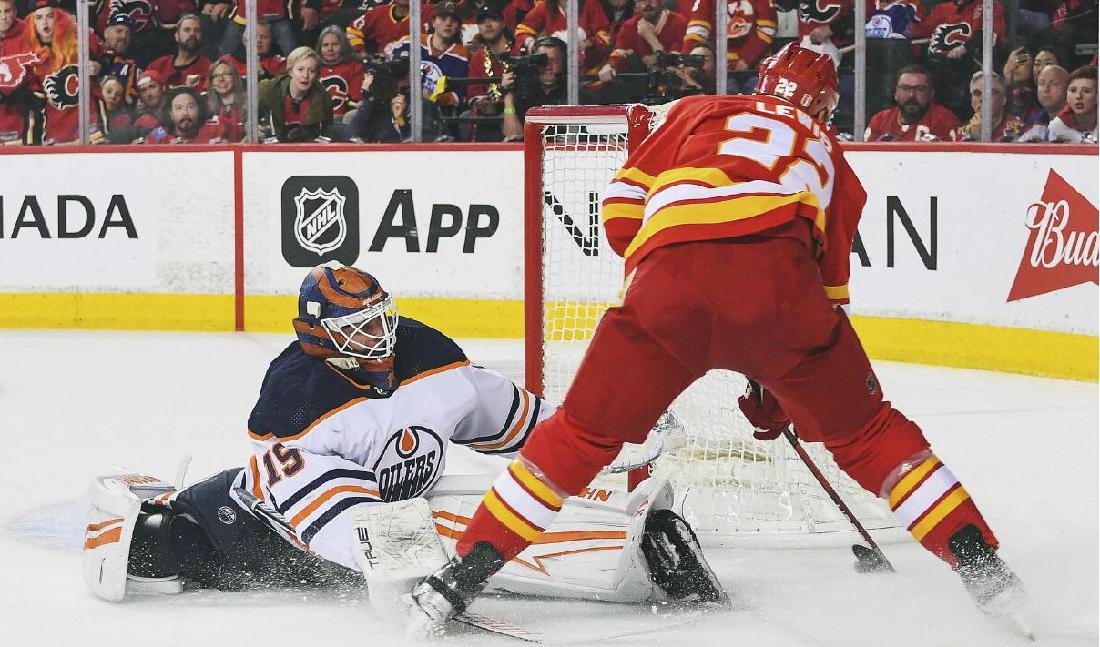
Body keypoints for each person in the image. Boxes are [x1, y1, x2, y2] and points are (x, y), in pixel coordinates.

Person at [409, 44, 1026, 633]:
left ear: (762, 86)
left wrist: (670, 281)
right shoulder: (833, 156)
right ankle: (988, 574)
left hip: (667, 292)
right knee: (868, 436)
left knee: (578, 437)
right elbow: (826, 297)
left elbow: (622, 220)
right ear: (823, 106)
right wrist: (776, 386)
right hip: (785, 300)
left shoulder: (698, 110)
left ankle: (458, 579)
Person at [84, 262, 722, 607]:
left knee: (439, 519)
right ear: (319, 336)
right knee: (168, 544)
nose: (380, 334)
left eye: (380, 316)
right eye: (359, 326)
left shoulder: (425, 353)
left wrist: (606, 443)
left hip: (384, 502)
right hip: (265, 534)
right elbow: (344, 527)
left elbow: (520, 423)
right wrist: (417, 574)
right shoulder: (294, 402)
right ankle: (165, 524)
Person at [680, 0, 776, 94]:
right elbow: (696, 33)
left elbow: (768, 29)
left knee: (757, 92)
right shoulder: (705, 2)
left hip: (756, 69)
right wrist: (686, 62)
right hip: (720, 71)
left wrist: (746, 60)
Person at [597, 0, 688, 82]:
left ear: (662, 1)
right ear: (636, 4)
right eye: (641, 0)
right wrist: (610, 66)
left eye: (651, 0)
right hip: (642, 85)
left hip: (673, 83)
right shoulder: (629, 25)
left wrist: (651, 38)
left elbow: (674, 63)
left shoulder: (679, 22)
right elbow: (620, 51)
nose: (647, 4)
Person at [865, 64, 960, 141]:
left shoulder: (946, 121)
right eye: (905, 88)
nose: (911, 95)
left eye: (920, 89)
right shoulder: (879, 120)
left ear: (931, 93)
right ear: (896, 93)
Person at [257, 45, 333, 141]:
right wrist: (256, 130)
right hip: (270, 149)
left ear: (316, 75)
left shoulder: (323, 97)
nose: (305, 75)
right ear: (290, 71)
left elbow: (326, 133)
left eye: (312, 71)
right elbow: (247, 117)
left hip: (307, 151)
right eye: (300, 69)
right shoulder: (269, 89)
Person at [145, 14, 212, 91]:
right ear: (177, 36)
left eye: (197, 31)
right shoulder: (157, 66)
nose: (192, 34)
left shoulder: (209, 68)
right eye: (187, 30)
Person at [144, 86, 228, 143]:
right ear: (170, 113)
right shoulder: (160, 133)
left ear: (199, 109)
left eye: (190, 107)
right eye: (179, 108)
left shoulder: (214, 127)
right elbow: (140, 151)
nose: (185, 113)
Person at [958, 72, 1024, 141]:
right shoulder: (962, 131)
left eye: (990, 93)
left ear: (1003, 99)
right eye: (976, 93)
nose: (982, 98)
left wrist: (978, 137)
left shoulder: (1017, 127)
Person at [1047, 64, 1097, 142]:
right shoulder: (1057, 126)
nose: (1078, 96)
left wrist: (1078, 138)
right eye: (1073, 90)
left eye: (1086, 91)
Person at [204, 57, 245, 141]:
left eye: (225, 74)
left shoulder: (248, 104)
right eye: (216, 76)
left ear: (235, 78)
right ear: (211, 83)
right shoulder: (206, 109)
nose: (221, 79)